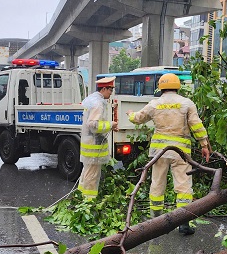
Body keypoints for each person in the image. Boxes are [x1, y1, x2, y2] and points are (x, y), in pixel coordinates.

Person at [126, 73, 210, 235]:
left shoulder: (154, 104)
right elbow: (196, 125)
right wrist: (204, 144)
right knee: (184, 187)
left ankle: (154, 223)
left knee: (157, 184)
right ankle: (183, 224)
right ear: (177, 86)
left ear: (161, 87)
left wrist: (129, 114)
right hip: (181, 152)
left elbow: (137, 118)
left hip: (159, 153)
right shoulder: (186, 103)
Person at [77, 76, 118, 200]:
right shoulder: (98, 103)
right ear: (104, 89)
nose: (111, 93)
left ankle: (81, 197)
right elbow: (93, 124)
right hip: (94, 146)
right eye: (110, 90)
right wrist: (111, 124)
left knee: (87, 172)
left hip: (88, 143)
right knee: (92, 175)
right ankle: (89, 202)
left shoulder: (91, 99)